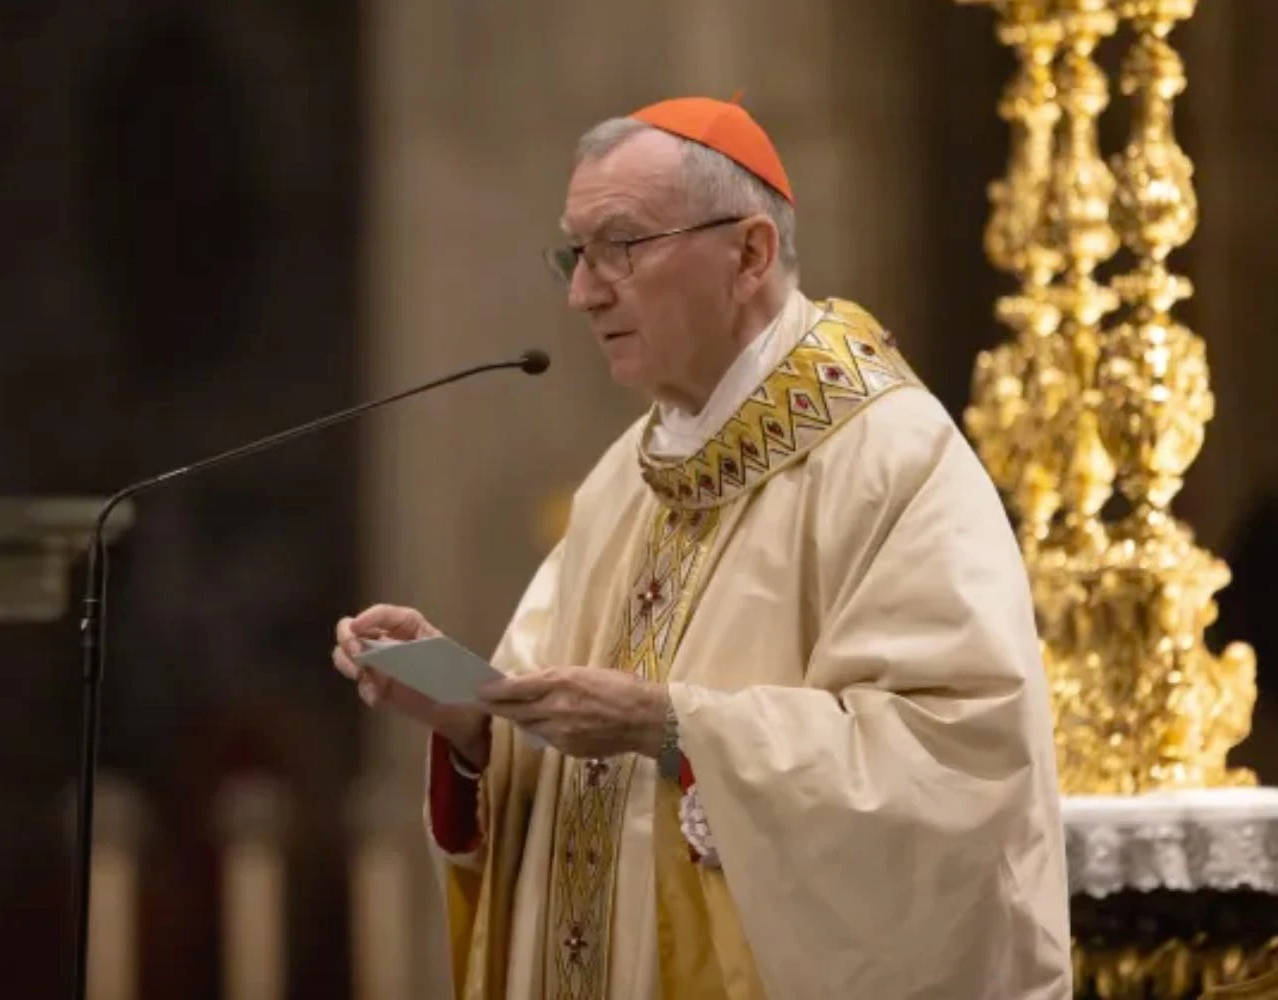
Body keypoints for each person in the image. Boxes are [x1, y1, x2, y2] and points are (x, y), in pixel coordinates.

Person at [331, 96, 1071, 999]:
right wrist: (469, 719)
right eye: (575, 252)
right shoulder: (622, 483)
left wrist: (677, 727)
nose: (584, 290)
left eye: (622, 246)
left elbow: (959, 771)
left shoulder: (893, 460)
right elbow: (552, 736)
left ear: (750, 253)